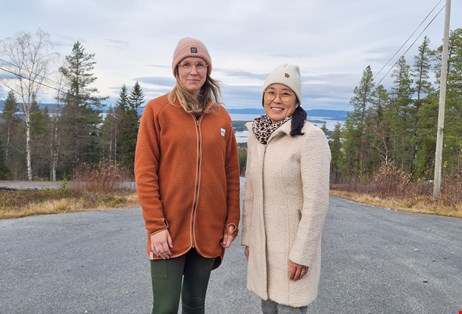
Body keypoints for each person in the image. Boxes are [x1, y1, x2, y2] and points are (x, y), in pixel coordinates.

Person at [135, 37, 240, 314]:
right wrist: (156, 226)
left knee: (195, 303)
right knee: (166, 307)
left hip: (208, 229)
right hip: (168, 231)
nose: (194, 71)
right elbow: (145, 173)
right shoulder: (157, 111)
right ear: (176, 69)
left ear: (208, 70)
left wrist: (231, 221)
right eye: (186, 64)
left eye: (200, 65)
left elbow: (231, 174)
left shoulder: (221, 117)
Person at [241, 64, 331, 314]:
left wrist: (303, 253)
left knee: (292, 308)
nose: (277, 100)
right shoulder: (256, 136)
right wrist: (249, 238)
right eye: (271, 92)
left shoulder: (310, 137)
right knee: (267, 307)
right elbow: (250, 192)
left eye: (285, 93)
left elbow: (316, 204)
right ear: (263, 98)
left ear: (296, 100)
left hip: (292, 247)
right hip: (262, 245)